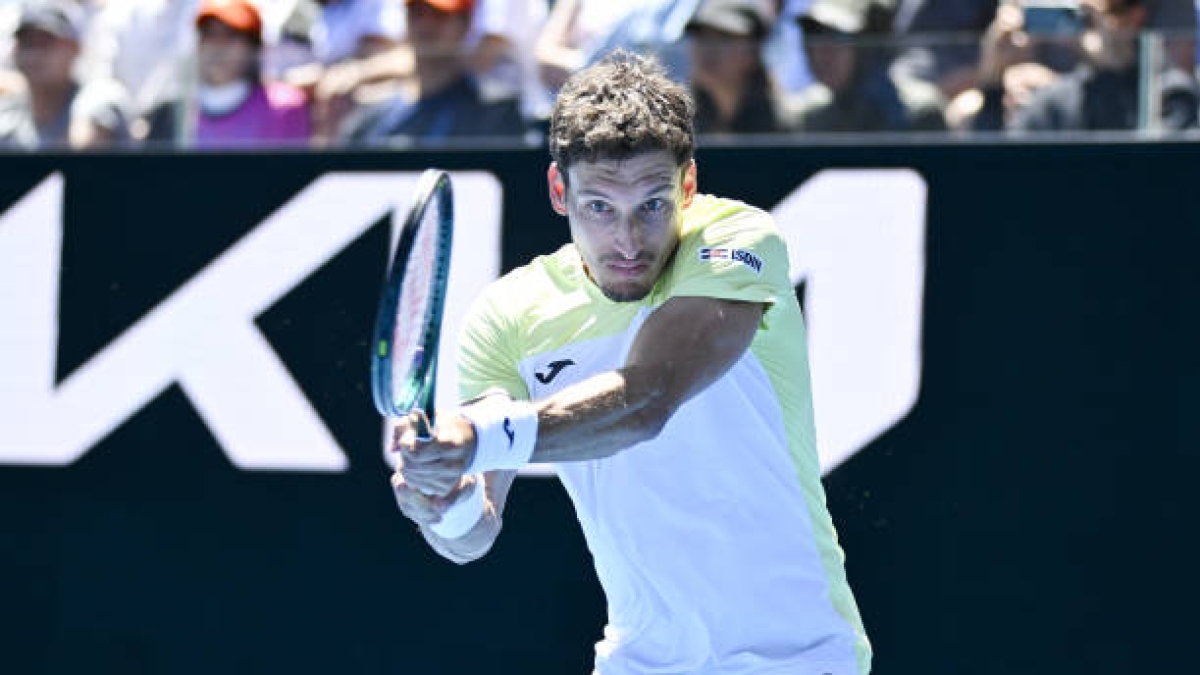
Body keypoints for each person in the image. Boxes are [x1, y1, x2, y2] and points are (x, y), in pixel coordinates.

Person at [389, 51, 872, 674]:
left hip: (799, 658)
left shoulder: (737, 241)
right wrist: (443, 499)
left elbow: (647, 399)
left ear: (687, 187)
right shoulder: (508, 315)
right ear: (560, 192)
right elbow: (472, 534)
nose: (627, 241)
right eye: (599, 207)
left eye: (651, 205)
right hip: (638, 661)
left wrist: (476, 437)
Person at [970, 0, 1199, 130]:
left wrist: (1113, 66)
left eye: (1091, 15)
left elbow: (1154, 172)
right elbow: (995, 170)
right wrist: (992, 84)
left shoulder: (1172, 93)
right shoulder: (1054, 103)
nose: (1086, 27)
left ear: (1135, 17)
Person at [337, 0, 524, 145]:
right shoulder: (367, 123)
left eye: (439, 15)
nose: (426, 24)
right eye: (416, 12)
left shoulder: (496, 114)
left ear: (465, 23)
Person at [144, 0, 312, 147]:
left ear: (254, 47)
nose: (217, 47)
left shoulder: (283, 108)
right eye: (209, 35)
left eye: (230, 36)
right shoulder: (168, 114)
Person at [787, 0, 945, 132]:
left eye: (838, 38)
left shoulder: (919, 111)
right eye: (814, 36)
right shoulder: (812, 115)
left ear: (867, 47)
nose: (822, 54)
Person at [0, 0, 132, 148]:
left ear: (74, 48)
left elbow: (84, 151)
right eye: (26, 42)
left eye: (45, 42)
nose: (34, 53)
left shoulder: (98, 95)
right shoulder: (7, 112)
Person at [686, 0, 788, 134]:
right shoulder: (684, 123)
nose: (709, 49)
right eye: (701, 36)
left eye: (724, 38)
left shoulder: (784, 126)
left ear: (754, 51)